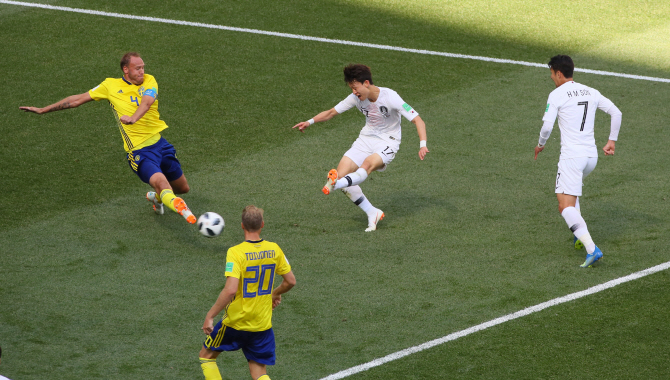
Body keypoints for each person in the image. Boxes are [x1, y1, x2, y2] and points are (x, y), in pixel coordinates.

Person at [19, 52, 195, 224]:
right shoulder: (110, 86)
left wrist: (134, 118)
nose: (142, 71)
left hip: (160, 144)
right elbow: (77, 99)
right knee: (162, 182)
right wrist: (44, 109)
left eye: (143, 67)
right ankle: (182, 210)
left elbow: (146, 102)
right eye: (137, 68)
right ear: (126, 70)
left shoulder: (150, 80)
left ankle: (156, 197)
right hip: (139, 151)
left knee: (182, 188)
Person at [293, 64, 429, 231]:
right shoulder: (355, 98)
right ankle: (372, 212)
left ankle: (335, 184)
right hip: (365, 139)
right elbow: (331, 113)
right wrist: (309, 122)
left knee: (366, 165)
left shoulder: (390, 97)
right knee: (342, 176)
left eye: (355, 88)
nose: (354, 92)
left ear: (366, 83)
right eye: (351, 88)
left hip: (388, 142)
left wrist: (422, 144)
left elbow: (418, 120)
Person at [534, 55, 622, 267]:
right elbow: (616, 112)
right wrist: (611, 141)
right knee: (571, 195)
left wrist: (541, 143)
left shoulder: (556, 94)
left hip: (572, 158)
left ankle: (593, 250)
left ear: (558, 73)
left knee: (564, 206)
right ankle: (579, 236)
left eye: (551, 74)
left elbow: (547, 126)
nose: (551, 79)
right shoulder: (590, 91)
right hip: (591, 157)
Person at [199, 206, 296, 380]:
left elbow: (230, 290)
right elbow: (290, 281)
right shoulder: (274, 249)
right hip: (262, 324)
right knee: (259, 372)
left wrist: (210, 316)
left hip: (236, 322)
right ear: (262, 225)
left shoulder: (236, 252)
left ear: (242, 226)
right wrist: (275, 293)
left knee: (206, 357)